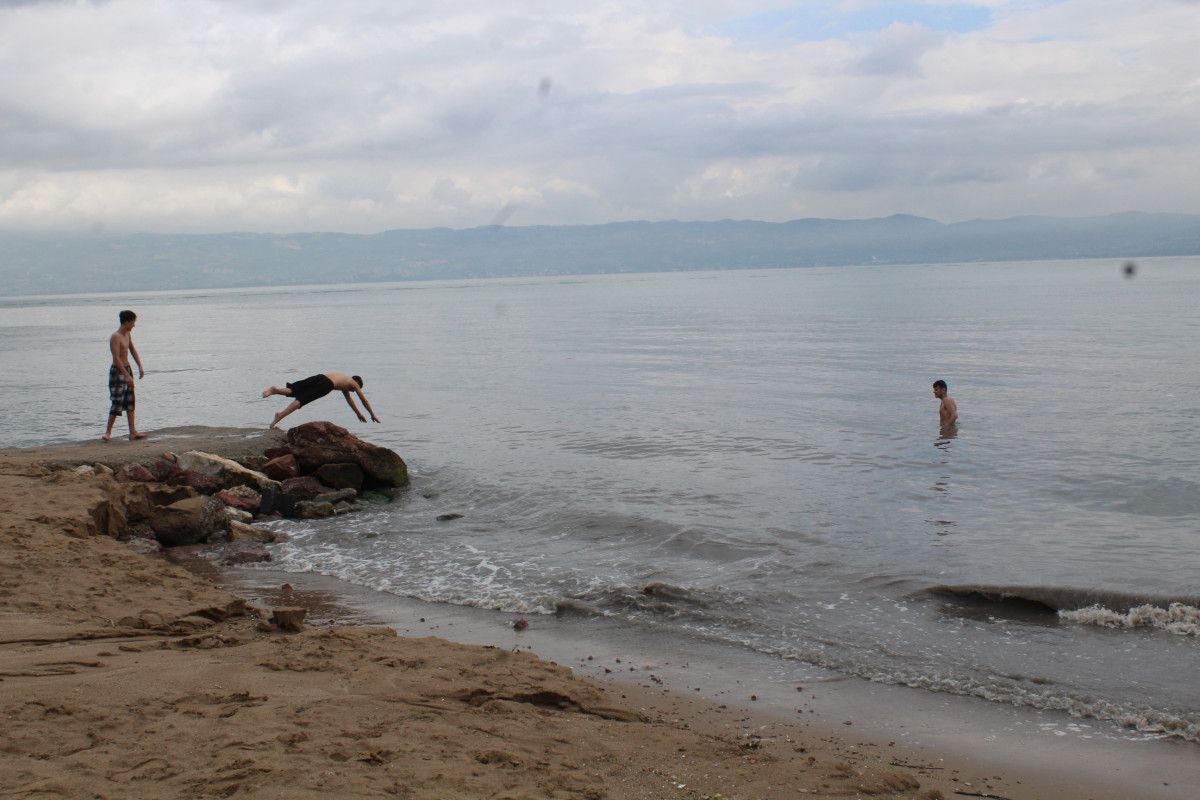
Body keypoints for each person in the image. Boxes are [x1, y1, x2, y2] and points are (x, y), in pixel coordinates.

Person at [262, 372, 380, 429]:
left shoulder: (344, 380)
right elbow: (364, 400)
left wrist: (358, 414)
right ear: (357, 383)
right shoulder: (353, 383)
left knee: (294, 390)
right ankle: (280, 416)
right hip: (326, 384)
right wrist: (372, 415)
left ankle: (275, 390)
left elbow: (349, 400)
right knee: (302, 399)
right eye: (355, 389)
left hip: (320, 377)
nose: (353, 391)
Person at [103, 310, 146, 441]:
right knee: (117, 401)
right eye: (133, 322)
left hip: (127, 369)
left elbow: (132, 350)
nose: (134, 325)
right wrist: (126, 375)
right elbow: (116, 358)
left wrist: (139, 365)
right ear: (127, 322)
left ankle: (133, 432)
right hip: (117, 371)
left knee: (130, 400)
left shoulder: (127, 334)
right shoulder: (115, 337)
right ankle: (108, 432)